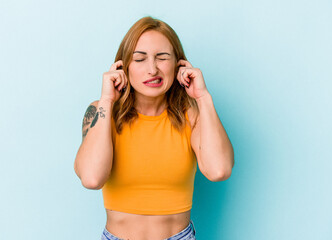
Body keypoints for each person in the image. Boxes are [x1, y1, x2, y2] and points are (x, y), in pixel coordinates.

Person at [74, 16, 234, 240]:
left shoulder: (191, 115)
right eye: (139, 59)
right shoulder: (101, 111)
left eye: (162, 58)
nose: (152, 69)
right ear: (123, 66)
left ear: (179, 64)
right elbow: (91, 178)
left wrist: (202, 97)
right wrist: (107, 101)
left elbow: (219, 170)